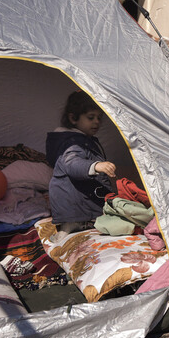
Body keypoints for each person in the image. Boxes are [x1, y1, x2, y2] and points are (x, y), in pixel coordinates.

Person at [47, 91, 117, 232]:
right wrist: (95, 166)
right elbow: (72, 164)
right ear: (73, 118)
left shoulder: (84, 140)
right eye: (91, 117)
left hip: (82, 209)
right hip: (76, 212)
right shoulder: (71, 143)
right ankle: (68, 230)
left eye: (99, 118)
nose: (97, 122)